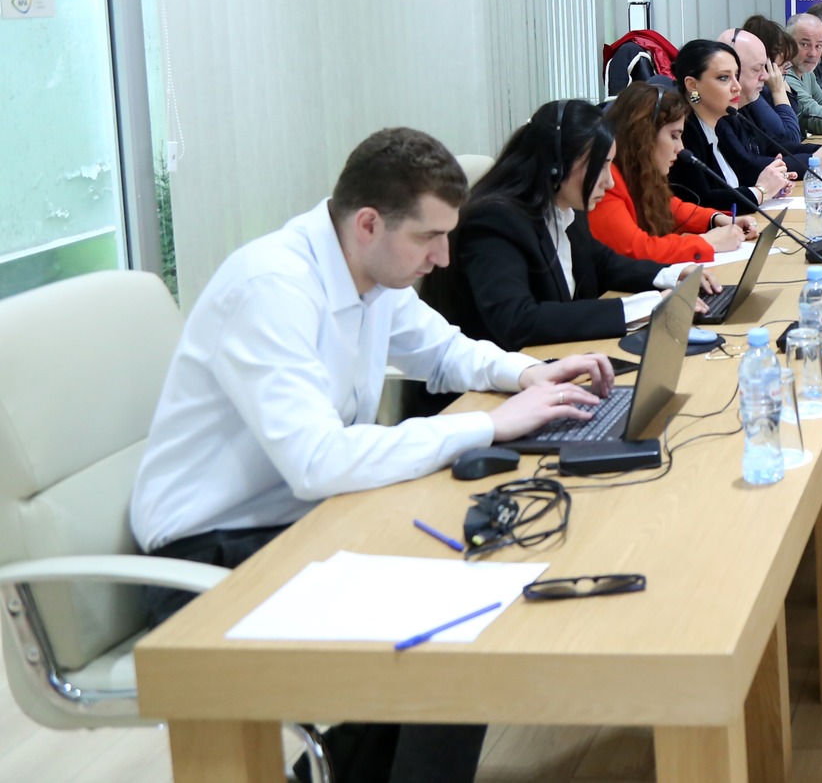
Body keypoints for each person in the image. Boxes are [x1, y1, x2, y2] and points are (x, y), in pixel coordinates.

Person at [130, 128, 617, 783]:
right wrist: (487, 426)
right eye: (429, 237)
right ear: (368, 223)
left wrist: (528, 373)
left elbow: (443, 349)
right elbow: (318, 462)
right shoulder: (272, 289)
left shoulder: (371, 272)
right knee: (448, 633)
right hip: (207, 556)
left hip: (299, 520)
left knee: (468, 585)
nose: (443, 257)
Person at [424, 100, 697, 353]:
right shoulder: (492, 222)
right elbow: (517, 320)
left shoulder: (564, 207)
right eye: (600, 167)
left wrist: (674, 275)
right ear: (558, 165)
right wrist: (643, 308)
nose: (609, 182)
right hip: (488, 380)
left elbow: (603, 263)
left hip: (548, 361)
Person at [590, 80, 759, 264]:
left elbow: (671, 207)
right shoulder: (606, 181)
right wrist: (708, 242)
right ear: (643, 135)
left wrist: (716, 219)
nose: (681, 148)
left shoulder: (639, 171)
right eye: (673, 136)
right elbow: (637, 250)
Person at [669, 37, 809, 211]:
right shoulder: (683, 133)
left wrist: (772, 185)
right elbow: (700, 202)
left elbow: (739, 178)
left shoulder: (721, 123)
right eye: (724, 78)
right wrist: (760, 191)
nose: (737, 87)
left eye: (736, 76)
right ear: (692, 84)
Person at [721, 23, 822, 175]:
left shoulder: (746, 104)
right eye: (757, 69)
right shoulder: (724, 114)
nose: (765, 76)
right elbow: (748, 166)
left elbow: (774, 145)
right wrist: (816, 159)